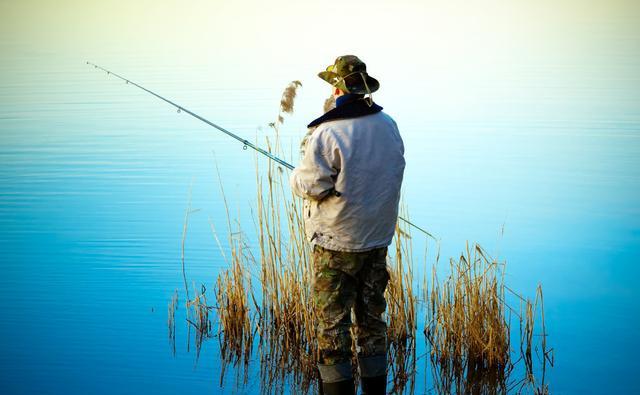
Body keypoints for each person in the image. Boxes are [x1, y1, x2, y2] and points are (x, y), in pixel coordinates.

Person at [290, 55, 405, 395]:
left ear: (338, 87)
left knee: (332, 324)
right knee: (372, 320)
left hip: (336, 243)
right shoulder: (388, 124)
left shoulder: (327, 132)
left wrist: (295, 175)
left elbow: (312, 185)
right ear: (365, 88)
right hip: (376, 239)